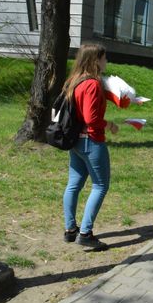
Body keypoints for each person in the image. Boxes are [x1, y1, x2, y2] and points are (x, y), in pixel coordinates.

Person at [62, 43, 119, 249]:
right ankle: (85, 233)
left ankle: (70, 230)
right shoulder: (92, 84)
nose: (106, 62)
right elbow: (91, 118)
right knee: (100, 185)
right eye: (104, 58)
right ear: (96, 60)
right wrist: (110, 124)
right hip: (91, 140)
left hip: (75, 140)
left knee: (74, 184)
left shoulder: (74, 80)